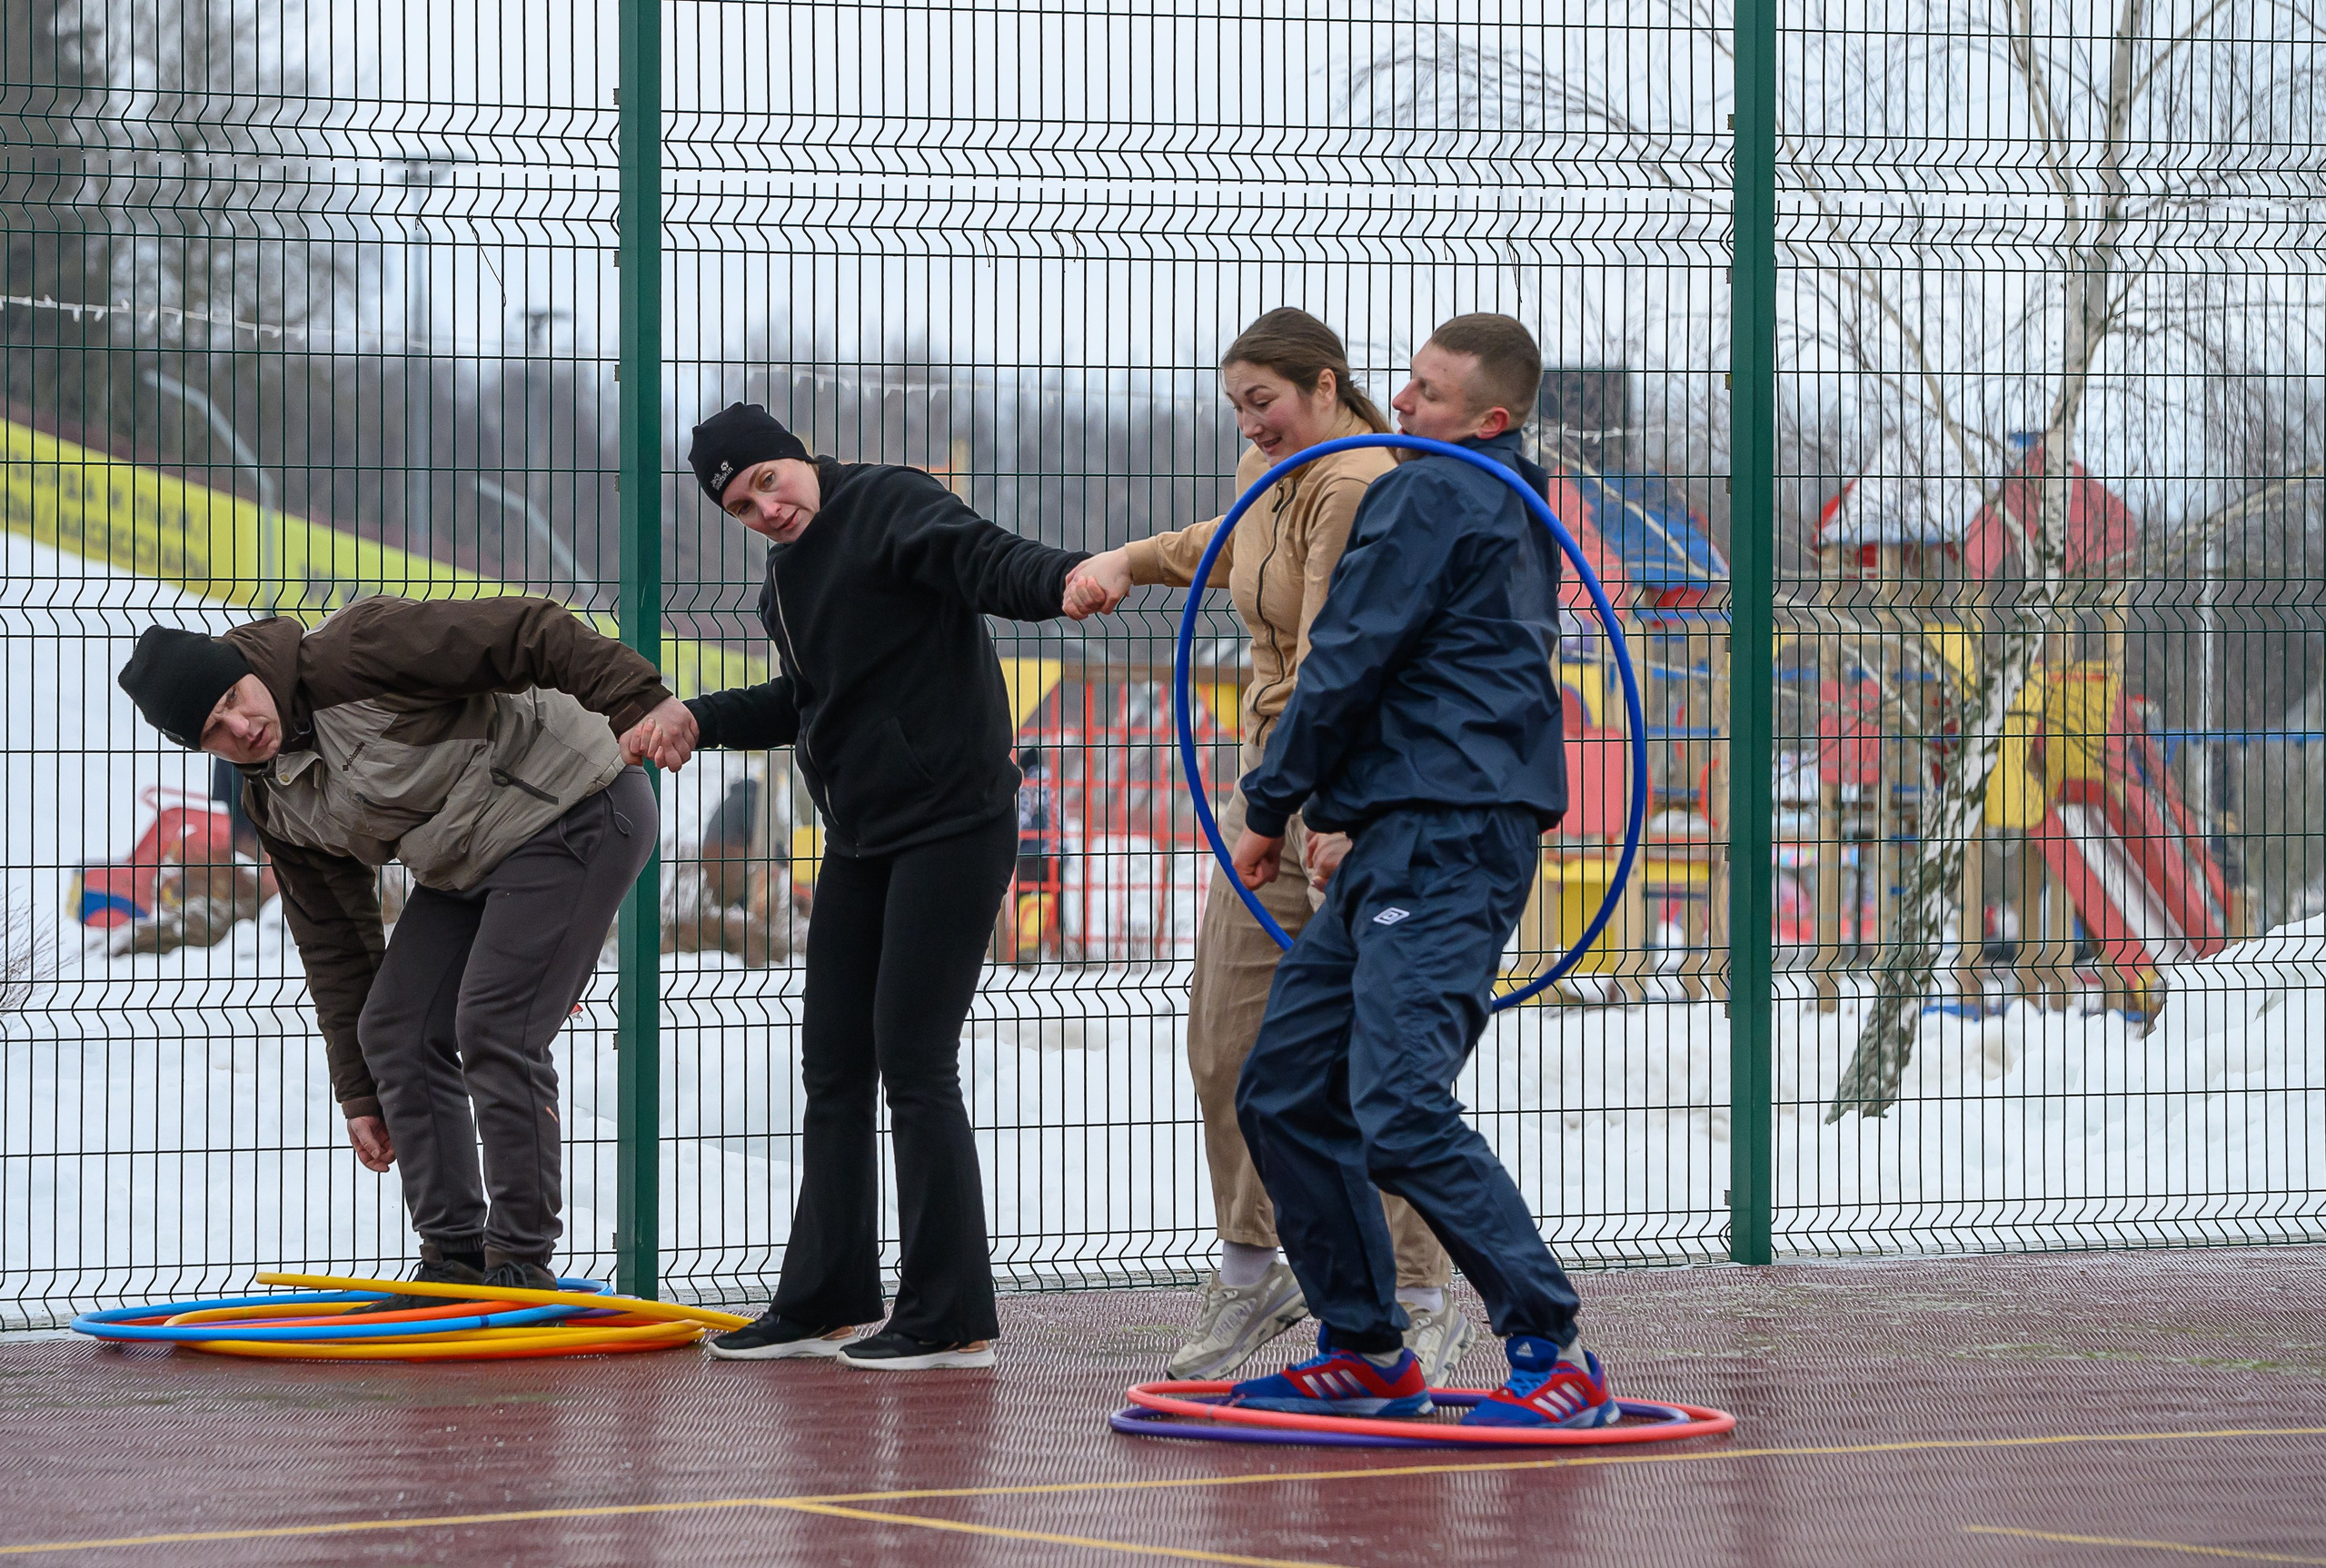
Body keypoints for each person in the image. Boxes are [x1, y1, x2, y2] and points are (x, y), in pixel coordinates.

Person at [633, 402, 1094, 1371]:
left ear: (795, 454)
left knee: (914, 1062)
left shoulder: (889, 502)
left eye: (766, 480)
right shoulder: (785, 583)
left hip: (953, 823)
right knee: (833, 1064)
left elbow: (982, 559)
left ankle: (950, 1314)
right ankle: (827, 1296)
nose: (762, 506)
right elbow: (807, 703)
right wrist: (693, 717)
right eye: (738, 504)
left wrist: (1062, 580)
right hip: (862, 838)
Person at [1219, 313, 1615, 1429]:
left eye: (1428, 393)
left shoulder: (1437, 489)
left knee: (1394, 1101)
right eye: (1406, 383)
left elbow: (1344, 658)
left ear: (1486, 419)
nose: (1402, 403)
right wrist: (1341, 808)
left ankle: (1552, 1345)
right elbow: (1412, 671)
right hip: (1402, 830)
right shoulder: (1492, 495)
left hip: (1449, 834)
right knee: (1287, 1085)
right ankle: (1364, 1346)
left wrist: (1268, 805)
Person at [1063, 307, 1466, 1384]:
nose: (1250, 423)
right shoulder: (1273, 472)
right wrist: (1125, 560)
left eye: (1264, 401)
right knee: (1229, 1045)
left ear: (1324, 385)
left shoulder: (1355, 482)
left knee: (1368, 1067)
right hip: (1269, 806)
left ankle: (1417, 1294)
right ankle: (1255, 1270)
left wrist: (1325, 813)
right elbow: (1217, 545)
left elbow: (1346, 660)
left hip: (1343, 803)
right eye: (1236, 405)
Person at [114, 597, 691, 1303]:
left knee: (495, 1026)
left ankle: (518, 1259)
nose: (242, 728)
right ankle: (453, 1258)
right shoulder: (273, 802)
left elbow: (527, 633)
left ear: (244, 667)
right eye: (214, 732)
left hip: (579, 805)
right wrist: (360, 1090)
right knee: (396, 1027)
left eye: (234, 699)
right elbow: (334, 941)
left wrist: (640, 701)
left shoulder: (359, 653)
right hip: (466, 859)